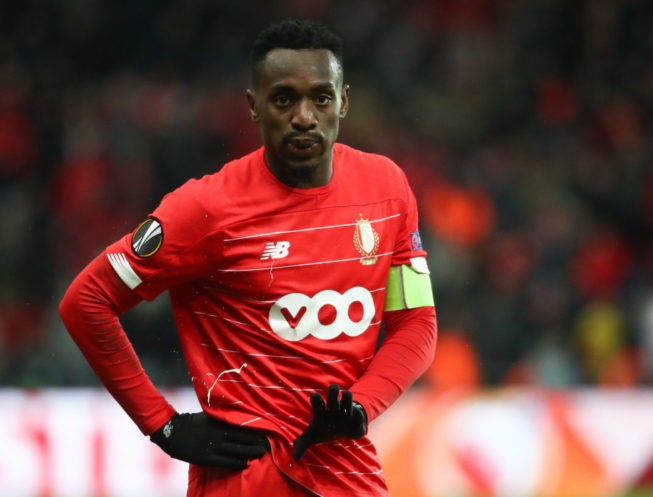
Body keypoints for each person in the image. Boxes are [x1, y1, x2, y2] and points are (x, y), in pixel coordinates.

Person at [59, 18, 437, 496]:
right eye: (284, 99)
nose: (304, 116)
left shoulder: (387, 190)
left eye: (320, 97)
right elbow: (86, 300)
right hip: (244, 476)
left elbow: (417, 324)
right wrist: (162, 424)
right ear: (253, 106)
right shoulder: (206, 209)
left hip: (345, 472)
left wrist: (361, 405)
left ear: (343, 100)